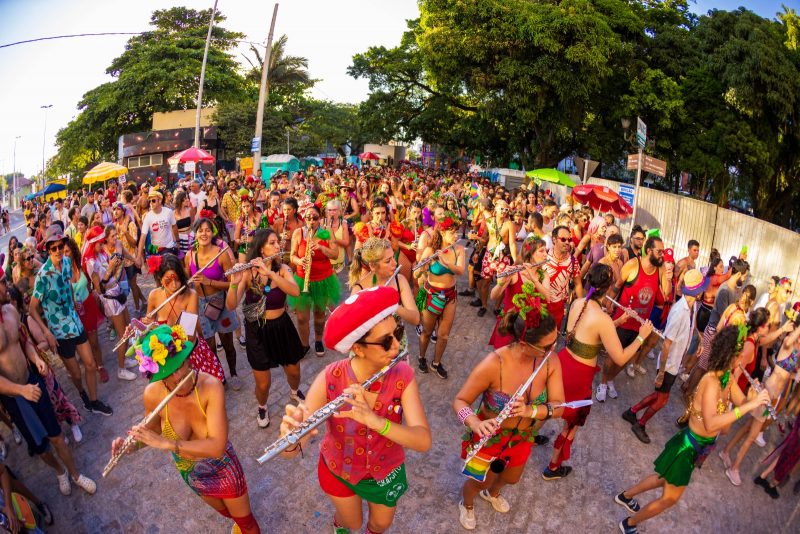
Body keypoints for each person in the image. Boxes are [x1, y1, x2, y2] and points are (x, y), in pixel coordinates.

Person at [279, 286, 431, 534]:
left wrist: (375, 421)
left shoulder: (403, 375)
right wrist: (290, 438)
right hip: (339, 470)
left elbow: (423, 441)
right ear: (358, 349)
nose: (397, 345)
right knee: (352, 523)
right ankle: (341, 525)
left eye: (398, 333)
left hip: (384, 471)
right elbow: (293, 449)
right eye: (385, 341)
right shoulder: (330, 378)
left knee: (380, 524)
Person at [615, 326, 771, 534]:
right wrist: (748, 406)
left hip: (699, 447)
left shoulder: (727, 379)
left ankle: (625, 496)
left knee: (663, 479)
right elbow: (711, 424)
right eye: (739, 353)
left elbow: (743, 404)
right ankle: (629, 523)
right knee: (669, 499)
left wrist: (753, 400)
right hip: (688, 448)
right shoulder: (711, 382)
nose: (744, 357)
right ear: (729, 355)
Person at [111, 325, 260, 533]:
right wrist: (130, 447)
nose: (178, 376)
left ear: (188, 357)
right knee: (227, 512)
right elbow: (151, 432)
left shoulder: (211, 386)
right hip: (191, 473)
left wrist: (168, 444)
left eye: (180, 365)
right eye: (168, 373)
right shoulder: (152, 394)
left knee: (247, 524)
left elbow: (217, 446)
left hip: (223, 467)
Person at [454, 287, 563, 530]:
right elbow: (460, 401)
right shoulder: (494, 363)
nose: (553, 349)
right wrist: (474, 422)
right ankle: (468, 503)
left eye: (556, 340)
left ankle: (492, 494)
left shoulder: (550, 361)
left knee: (511, 478)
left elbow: (559, 407)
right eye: (547, 346)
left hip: (522, 437)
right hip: (489, 437)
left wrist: (531, 412)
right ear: (524, 344)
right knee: (479, 481)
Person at [543, 264, 653, 480]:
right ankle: (553, 468)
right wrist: (642, 336)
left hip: (564, 361)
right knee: (572, 423)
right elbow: (620, 357)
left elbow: (589, 331)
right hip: (580, 376)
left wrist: (619, 321)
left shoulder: (578, 303)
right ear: (609, 288)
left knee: (546, 405)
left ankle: (525, 437)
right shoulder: (601, 319)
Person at [0, 269, 97, 498]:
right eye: (1, 282)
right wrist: (21, 390)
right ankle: (59, 471)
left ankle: (75, 474)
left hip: (32, 382)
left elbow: (23, 343)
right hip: (16, 397)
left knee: (56, 435)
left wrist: (34, 359)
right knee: (41, 447)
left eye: (3, 280)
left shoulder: (10, 310)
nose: (6, 285)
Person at [226, 229, 306, 429]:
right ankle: (262, 406)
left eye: (278, 242)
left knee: (294, 371)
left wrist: (269, 272)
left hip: (281, 327)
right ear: (261, 248)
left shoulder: (283, 269)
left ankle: (294, 391)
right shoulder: (247, 272)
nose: (278, 246)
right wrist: (234, 285)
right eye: (273, 243)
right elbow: (230, 305)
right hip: (257, 331)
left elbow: (295, 291)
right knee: (263, 383)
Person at [28, 225, 112, 416]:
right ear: (48, 250)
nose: (58, 251)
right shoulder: (43, 276)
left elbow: (69, 286)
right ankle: (82, 394)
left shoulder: (67, 263)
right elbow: (32, 309)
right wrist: (47, 332)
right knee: (75, 374)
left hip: (75, 322)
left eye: (60, 246)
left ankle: (93, 401)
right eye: (53, 248)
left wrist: (74, 300)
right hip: (59, 332)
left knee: (90, 365)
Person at [621, 270, 706, 443]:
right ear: (696, 291)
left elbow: (694, 325)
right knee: (662, 400)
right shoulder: (679, 312)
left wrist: (701, 340)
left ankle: (632, 412)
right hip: (669, 364)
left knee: (660, 395)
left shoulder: (692, 307)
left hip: (674, 364)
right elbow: (666, 343)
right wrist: (661, 372)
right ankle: (641, 423)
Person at [596, 235, 672, 402]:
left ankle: (610, 380)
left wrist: (668, 275)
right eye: (660, 252)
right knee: (611, 358)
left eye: (663, 252)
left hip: (640, 326)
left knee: (625, 359)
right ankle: (602, 382)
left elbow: (666, 294)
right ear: (649, 250)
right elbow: (616, 287)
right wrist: (607, 305)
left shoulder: (660, 270)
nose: (662, 255)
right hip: (623, 320)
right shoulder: (632, 265)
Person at [143, 253, 225, 383]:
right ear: (159, 278)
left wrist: (159, 330)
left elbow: (189, 336)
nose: (174, 285)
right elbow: (149, 331)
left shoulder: (191, 295)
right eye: (168, 281)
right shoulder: (154, 296)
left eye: (177, 279)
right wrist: (146, 326)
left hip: (189, 353)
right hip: (168, 359)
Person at [185, 218, 240, 389]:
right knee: (209, 346)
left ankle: (233, 373)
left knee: (228, 343)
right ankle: (219, 376)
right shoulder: (190, 255)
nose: (204, 233)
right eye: (200, 230)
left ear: (213, 233)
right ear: (195, 233)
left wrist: (210, 282)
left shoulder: (220, 254)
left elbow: (232, 283)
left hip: (220, 303)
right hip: (201, 306)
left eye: (208, 230)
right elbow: (187, 281)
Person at [683, 258, 750, 396]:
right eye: (745, 276)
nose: (745, 279)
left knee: (703, 365)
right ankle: (688, 392)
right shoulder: (725, 290)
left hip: (717, 331)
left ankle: (686, 386)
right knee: (703, 367)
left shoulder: (733, 289)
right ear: (739, 274)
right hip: (714, 331)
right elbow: (723, 316)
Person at [82, 225, 138, 381]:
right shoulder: (91, 262)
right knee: (123, 335)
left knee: (128, 327)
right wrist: (110, 269)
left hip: (117, 291)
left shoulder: (100, 255)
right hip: (110, 299)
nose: (102, 244)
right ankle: (120, 369)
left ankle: (125, 360)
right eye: (100, 242)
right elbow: (99, 288)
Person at [414, 214, 466, 378]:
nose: (456, 236)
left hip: (450, 295)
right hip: (432, 294)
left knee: (443, 335)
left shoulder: (458, 250)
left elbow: (460, 271)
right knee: (428, 332)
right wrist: (424, 265)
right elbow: (416, 274)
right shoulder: (430, 250)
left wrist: (445, 261)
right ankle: (421, 357)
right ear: (442, 233)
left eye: (457, 232)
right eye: (452, 233)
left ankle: (436, 363)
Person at [348, 237, 419, 357]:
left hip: (397, 347)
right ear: (372, 266)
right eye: (388, 261)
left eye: (393, 257)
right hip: (371, 353)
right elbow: (352, 330)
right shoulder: (359, 289)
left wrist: (393, 306)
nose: (395, 263)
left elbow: (415, 318)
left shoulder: (399, 280)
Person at [288, 203, 340, 356]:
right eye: (308, 218)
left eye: (315, 218)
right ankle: (304, 345)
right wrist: (299, 261)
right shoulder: (298, 233)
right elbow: (291, 256)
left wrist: (322, 248)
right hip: (303, 279)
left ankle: (318, 340)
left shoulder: (327, 232)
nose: (311, 221)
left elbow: (335, 254)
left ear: (320, 219)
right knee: (302, 318)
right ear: (304, 219)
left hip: (323, 280)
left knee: (319, 315)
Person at [488, 236, 551, 349]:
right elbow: (493, 296)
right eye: (541, 251)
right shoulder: (515, 272)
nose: (546, 254)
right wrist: (502, 282)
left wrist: (534, 279)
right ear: (530, 254)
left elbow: (548, 298)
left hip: (530, 328)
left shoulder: (544, 275)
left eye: (546, 251)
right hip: (510, 325)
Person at [475, 200, 517, 317]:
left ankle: (497, 307)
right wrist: (477, 249)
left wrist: (515, 261)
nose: (504, 211)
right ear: (496, 209)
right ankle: (484, 305)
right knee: (485, 282)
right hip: (489, 255)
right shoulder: (488, 221)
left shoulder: (509, 224)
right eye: (502, 209)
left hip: (503, 258)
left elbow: (512, 243)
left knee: (501, 284)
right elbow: (484, 238)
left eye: (506, 209)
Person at [545, 225, 584, 331]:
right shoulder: (543, 255)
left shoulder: (573, 261)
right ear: (554, 240)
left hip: (558, 306)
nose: (567, 242)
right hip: (540, 303)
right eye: (563, 239)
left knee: (552, 338)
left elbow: (578, 284)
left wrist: (581, 305)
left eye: (569, 239)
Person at [137, 188, 179, 260]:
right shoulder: (148, 216)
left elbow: (174, 226)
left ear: (160, 201)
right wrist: (138, 257)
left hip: (168, 248)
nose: (151, 203)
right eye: (149, 201)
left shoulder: (168, 212)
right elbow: (143, 236)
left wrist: (177, 241)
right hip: (155, 250)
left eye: (153, 201)